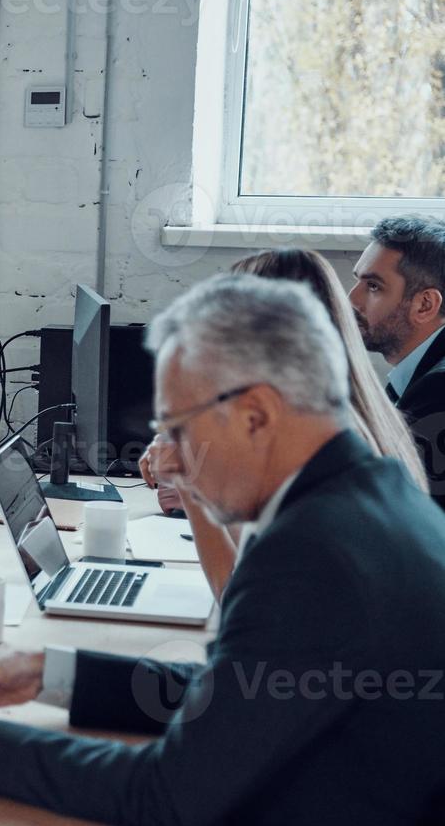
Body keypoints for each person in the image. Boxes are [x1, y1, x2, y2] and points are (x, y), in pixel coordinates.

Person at [0, 274, 445, 826]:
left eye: (179, 426)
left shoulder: (314, 554)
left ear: (257, 414)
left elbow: (169, 794)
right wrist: (54, 673)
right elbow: (250, 698)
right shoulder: (373, 497)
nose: (169, 455)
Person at [140, 247, 427, 597]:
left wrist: (188, 478)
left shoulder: (316, 462)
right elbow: (253, 558)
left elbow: (236, 594)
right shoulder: (355, 422)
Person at [350, 215, 445, 502]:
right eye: (358, 282)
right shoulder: (415, 378)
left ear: (425, 305)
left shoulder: (437, 393)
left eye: (374, 286)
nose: (351, 299)